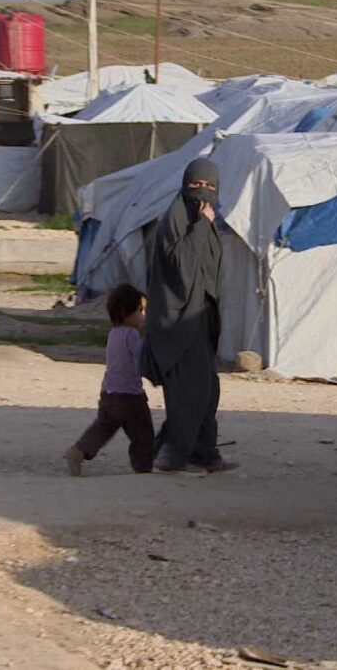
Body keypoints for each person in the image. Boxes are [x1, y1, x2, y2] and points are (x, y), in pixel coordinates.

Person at [140, 158, 238, 474]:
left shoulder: (204, 224)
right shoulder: (176, 219)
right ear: (184, 185)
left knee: (208, 390)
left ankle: (204, 452)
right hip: (177, 320)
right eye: (196, 185)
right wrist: (199, 227)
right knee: (189, 391)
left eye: (210, 187)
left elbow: (209, 273)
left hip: (200, 320)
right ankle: (172, 455)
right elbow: (181, 268)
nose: (202, 192)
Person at [65, 284, 156, 476]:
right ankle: (143, 468)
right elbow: (141, 359)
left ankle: (79, 450)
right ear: (125, 313)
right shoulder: (131, 335)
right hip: (130, 397)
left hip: (108, 394)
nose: (144, 316)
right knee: (143, 435)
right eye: (140, 311)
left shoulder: (113, 334)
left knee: (102, 429)